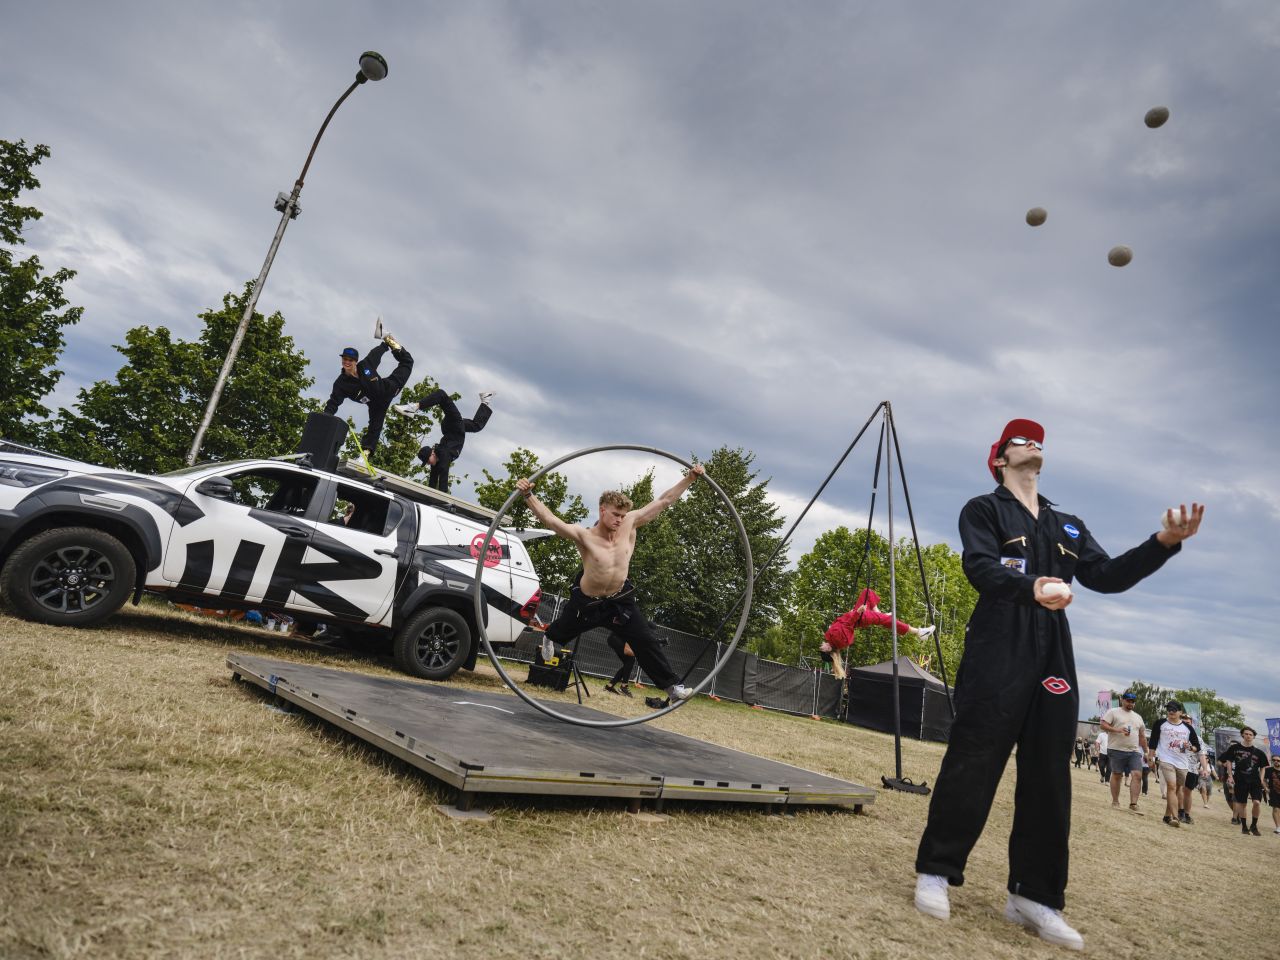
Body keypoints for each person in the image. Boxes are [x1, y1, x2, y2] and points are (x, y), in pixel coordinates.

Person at [911, 417, 1203, 951]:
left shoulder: (1068, 524)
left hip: (1053, 650)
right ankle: (936, 870)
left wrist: (1163, 542)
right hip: (999, 638)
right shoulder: (983, 509)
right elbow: (979, 567)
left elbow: (1107, 576)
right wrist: (1032, 586)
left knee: (1049, 773)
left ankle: (1033, 896)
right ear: (999, 458)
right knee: (975, 758)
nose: (1034, 443)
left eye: (1038, 439)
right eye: (1021, 439)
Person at [515, 466, 706, 704]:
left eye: (623, 515)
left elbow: (664, 501)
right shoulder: (584, 535)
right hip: (587, 602)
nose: (619, 519)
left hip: (619, 601)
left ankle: (672, 688)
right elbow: (551, 520)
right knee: (562, 629)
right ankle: (549, 637)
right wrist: (528, 495)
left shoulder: (630, 524)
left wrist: (690, 478)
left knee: (645, 640)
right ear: (602, 510)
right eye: (616, 514)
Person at [323, 331, 414, 455]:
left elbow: (377, 352)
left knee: (408, 362)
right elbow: (333, 402)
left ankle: (389, 338)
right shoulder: (341, 384)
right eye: (345, 359)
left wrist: (386, 343)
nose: (347, 362)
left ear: (356, 361)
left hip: (389, 388)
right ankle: (366, 453)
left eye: (350, 360)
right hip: (375, 404)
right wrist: (325, 417)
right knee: (375, 427)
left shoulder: (366, 365)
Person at [819, 588, 936, 680]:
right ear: (828, 649)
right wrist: (857, 612)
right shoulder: (837, 640)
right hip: (861, 617)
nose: (821, 646)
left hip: (855, 614)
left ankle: (880, 614)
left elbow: (841, 622)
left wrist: (852, 613)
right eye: (822, 648)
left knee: (867, 592)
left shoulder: (831, 638)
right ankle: (918, 632)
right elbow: (848, 625)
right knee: (889, 621)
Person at [394, 389, 494, 492]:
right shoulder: (436, 461)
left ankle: (414, 407)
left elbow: (443, 476)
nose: (428, 464)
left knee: (442, 395)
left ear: (432, 453)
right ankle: (485, 401)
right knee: (476, 426)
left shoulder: (443, 455)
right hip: (453, 428)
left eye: (428, 461)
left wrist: (442, 496)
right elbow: (432, 481)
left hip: (454, 425)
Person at [1148, 700, 1201, 827]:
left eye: (1174, 709)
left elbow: (1197, 747)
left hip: (1182, 762)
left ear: (1180, 712)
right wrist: (1150, 756)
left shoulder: (1188, 728)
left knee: (1177, 789)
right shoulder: (1160, 723)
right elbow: (1153, 741)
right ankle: (1175, 818)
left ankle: (1167, 816)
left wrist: (1190, 747)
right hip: (1166, 759)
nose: (1171, 711)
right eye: (1169, 709)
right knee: (1171, 786)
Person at [1100, 691, 1148, 814]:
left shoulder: (1138, 717)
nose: (1130, 703)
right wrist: (1117, 730)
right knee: (1117, 775)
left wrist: (1146, 752)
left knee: (1137, 775)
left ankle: (1133, 803)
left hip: (1134, 751)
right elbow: (1103, 725)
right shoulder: (1113, 712)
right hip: (1116, 749)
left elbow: (1142, 736)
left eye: (1133, 701)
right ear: (1122, 700)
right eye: (1128, 701)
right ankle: (1115, 801)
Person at [1221, 726, 1268, 836]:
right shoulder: (1234, 748)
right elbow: (1228, 761)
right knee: (1242, 803)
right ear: (1242, 735)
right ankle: (1244, 827)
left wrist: (1261, 779)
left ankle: (1254, 826)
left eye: (1250, 734)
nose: (1248, 736)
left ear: (1253, 737)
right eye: (1246, 734)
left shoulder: (1259, 752)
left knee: (1257, 802)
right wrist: (1230, 776)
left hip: (1255, 780)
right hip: (1240, 779)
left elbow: (1263, 767)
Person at [1263, 753, 1280, 834]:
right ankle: (1278, 827)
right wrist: (1265, 788)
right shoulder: (1269, 770)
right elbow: (1263, 779)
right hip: (1273, 792)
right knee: (1276, 808)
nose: (1276, 761)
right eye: (1274, 760)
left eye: (1278, 760)